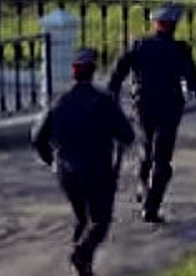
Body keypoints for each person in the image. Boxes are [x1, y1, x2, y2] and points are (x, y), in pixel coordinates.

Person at [31, 47, 135, 276]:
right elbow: (127, 135)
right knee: (100, 221)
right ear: (93, 71)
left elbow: (37, 138)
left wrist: (53, 162)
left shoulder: (58, 103)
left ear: (73, 72)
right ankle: (81, 256)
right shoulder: (104, 102)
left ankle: (82, 266)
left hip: (67, 174)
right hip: (98, 172)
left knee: (82, 218)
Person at [108, 2, 196, 224]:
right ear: (174, 26)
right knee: (162, 157)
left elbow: (116, 74)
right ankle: (151, 206)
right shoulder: (180, 50)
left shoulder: (139, 45)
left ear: (155, 24)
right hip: (170, 108)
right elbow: (194, 83)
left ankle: (144, 187)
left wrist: (115, 94)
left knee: (146, 148)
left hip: (143, 106)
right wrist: (194, 90)